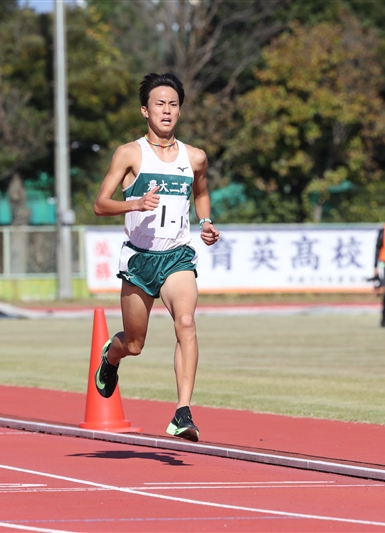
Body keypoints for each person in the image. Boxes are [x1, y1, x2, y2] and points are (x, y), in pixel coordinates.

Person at [92, 72, 220, 442]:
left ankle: (183, 412)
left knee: (186, 323)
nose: (167, 110)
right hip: (139, 260)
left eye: (173, 104)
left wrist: (207, 222)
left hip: (177, 256)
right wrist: (135, 202)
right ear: (145, 110)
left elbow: (201, 194)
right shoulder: (130, 154)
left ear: (180, 111)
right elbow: (100, 204)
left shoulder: (195, 157)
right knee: (135, 344)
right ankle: (111, 357)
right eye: (159, 104)